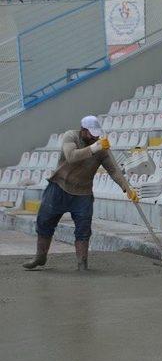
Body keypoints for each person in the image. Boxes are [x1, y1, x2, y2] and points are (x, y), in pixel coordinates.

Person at [23, 116, 139, 271]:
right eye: (91, 134)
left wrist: (127, 188)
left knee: (83, 229)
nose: (94, 137)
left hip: (82, 193)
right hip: (59, 187)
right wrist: (94, 148)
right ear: (83, 130)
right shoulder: (71, 136)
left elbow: (114, 171)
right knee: (45, 221)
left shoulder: (101, 148)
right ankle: (40, 256)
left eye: (96, 134)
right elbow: (71, 156)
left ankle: (82, 263)